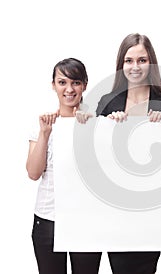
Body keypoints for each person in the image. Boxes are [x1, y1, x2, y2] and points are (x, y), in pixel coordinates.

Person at [76, 33, 161, 274]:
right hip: (115, 209)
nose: (135, 66)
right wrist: (93, 122)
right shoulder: (108, 102)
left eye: (142, 60)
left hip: (152, 212)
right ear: (121, 66)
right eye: (129, 61)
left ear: (151, 64)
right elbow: (93, 155)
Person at [26, 58, 101, 274]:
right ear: (53, 85)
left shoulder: (97, 123)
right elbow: (33, 172)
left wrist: (89, 130)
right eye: (62, 82)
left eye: (76, 82)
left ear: (85, 84)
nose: (69, 89)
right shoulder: (43, 124)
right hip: (49, 219)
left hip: (85, 220)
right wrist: (44, 134)